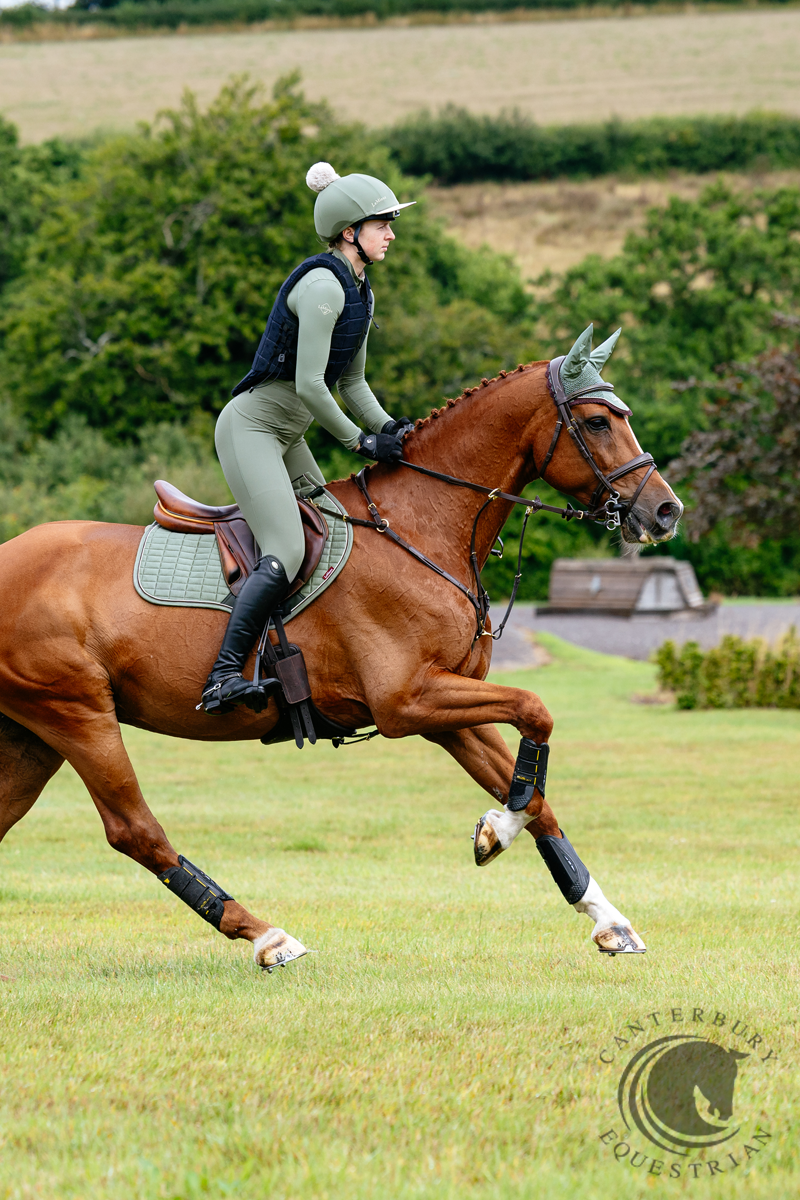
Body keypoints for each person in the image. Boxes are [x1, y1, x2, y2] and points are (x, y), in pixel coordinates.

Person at [201, 162, 416, 714]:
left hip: (287, 432)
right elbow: (309, 386)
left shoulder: (361, 291)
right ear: (350, 232)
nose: (392, 233)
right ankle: (222, 675)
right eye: (382, 224)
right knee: (289, 547)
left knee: (337, 534)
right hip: (252, 428)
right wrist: (360, 444)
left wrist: (389, 427)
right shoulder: (323, 286)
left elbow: (353, 382)